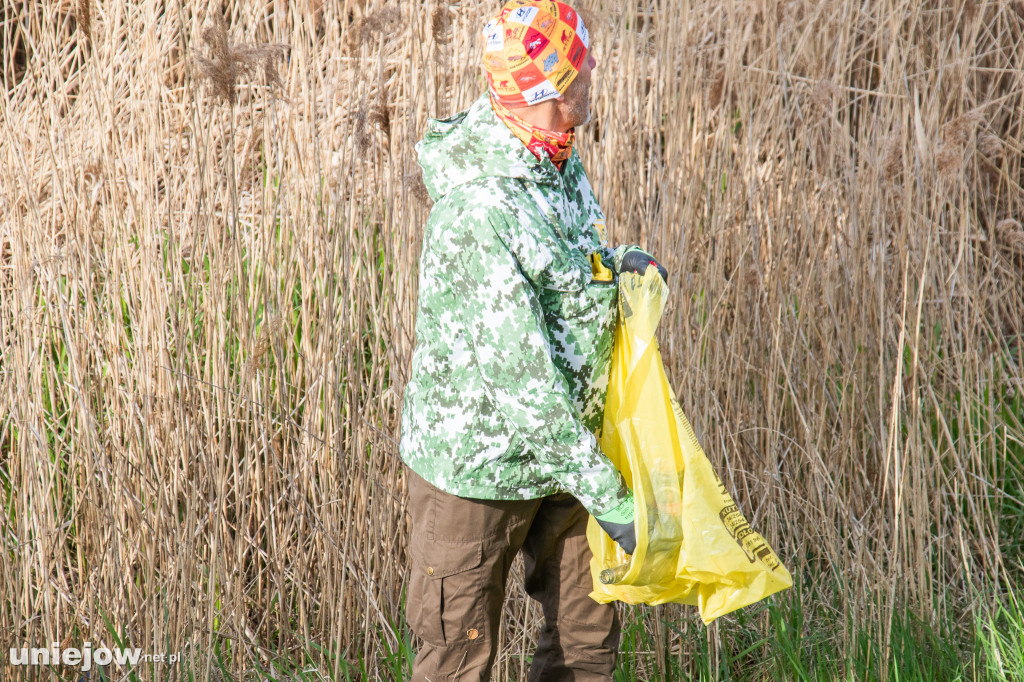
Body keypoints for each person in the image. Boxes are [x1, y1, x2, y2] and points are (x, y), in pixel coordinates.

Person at [399, 1, 667, 680]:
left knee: (584, 650)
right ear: (547, 91)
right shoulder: (479, 210)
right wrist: (610, 495)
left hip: (570, 459)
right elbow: (524, 386)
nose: (595, 70)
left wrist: (617, 264)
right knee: (458, 661)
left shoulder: (553, 155)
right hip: (479, 475)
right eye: (580, 68)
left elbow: (560, 266)